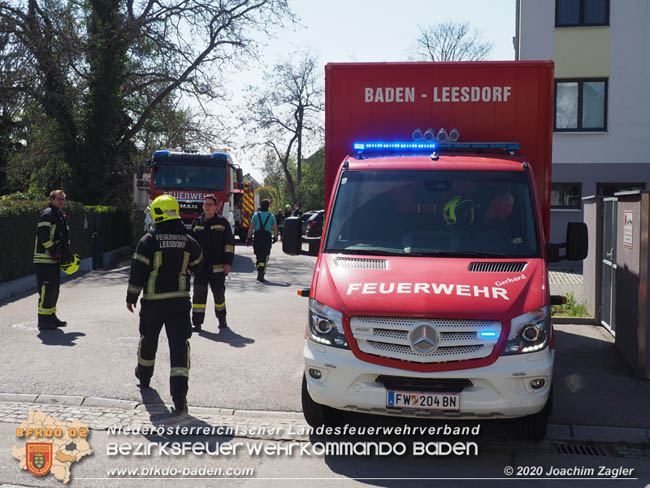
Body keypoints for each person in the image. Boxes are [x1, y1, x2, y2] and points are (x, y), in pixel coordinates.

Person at [126, 195, 204, 416]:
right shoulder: (188, 240)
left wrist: (131, 297)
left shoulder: (148, 240)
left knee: (148, 341)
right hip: (179, 302)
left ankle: (144, 376)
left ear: (159, 213)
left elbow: (138, 271)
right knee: (179, 347)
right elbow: (199, 264)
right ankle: (180, 398)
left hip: (153, 303)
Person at [190, 195, 234, 332]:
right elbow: (191, 245)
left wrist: (228, 263)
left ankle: (222, 320)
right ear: (203, 206)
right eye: (205, 204)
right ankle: (197, 323)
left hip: (218, 266)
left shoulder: (223, 222)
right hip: (200, 267)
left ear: (216, 207)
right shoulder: (197, 223)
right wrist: (190, 265)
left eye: (210, 204)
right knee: (198, 295)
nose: (207, 206)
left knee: (219, 294)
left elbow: (229, 244)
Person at [33, 189, 74, 330]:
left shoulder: (60, 214)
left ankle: (51, 317)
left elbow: (61, 237)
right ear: (51, 199)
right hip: (44, 259)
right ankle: (43, 321)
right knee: (46, 290)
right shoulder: (47, 214)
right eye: (59, 199)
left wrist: (64, 252)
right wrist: (53, 250)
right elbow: (43, 235)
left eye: (63, 199)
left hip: (54, 259)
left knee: (54, 290)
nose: (62, 201)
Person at [246, 199, 278, 282]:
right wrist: (275, 237)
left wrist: (248, 238)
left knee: (258, 255)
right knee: (265, 256)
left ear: (260, 206)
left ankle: (259, 270)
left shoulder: (256, 215)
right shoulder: (271, 216)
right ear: (268, 207)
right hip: (267, 237)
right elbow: (275, 228)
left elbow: (251, 228)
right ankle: (261, 273)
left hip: (258, 237)